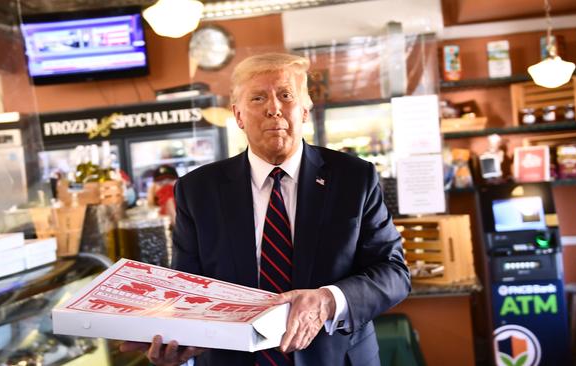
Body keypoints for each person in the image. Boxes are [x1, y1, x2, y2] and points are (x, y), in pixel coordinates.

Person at [120, 53, 410, 366]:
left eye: (286, 95)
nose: (274, 108)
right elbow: (189, 287)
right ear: (239, 115)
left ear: (305, 111)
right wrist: (177, 342)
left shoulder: (354, 178)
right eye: (258, 98)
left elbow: (393, 273)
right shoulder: (197, 190)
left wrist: (328, 300)